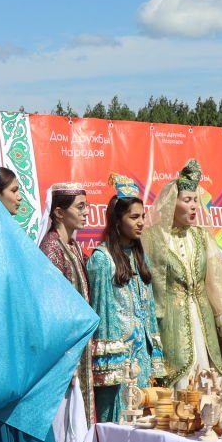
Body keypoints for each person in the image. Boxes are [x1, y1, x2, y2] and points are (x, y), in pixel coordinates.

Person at [0, 164, 96, 442]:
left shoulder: (4, 237)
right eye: (14, 191)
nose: (20, 199)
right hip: (12, 358)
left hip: (21, 352)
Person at [142, 160, 222, 381]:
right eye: (187, 200)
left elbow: (216, 284)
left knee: (208, 382)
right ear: (171, 203)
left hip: (202, 317)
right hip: (170, 322)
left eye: (196, 200)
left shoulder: (202, 237)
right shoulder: (153, 238)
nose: (194, 206)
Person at [85, 177, 164, 420]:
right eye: (134, 217)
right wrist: (108, 369)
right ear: (118, 220)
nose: (141, 222)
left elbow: (149, 314)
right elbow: (101, 318)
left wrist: (155, 359)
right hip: (118, 366)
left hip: (143, 361)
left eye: (142, 216)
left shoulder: (141, 258)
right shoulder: (102, 260)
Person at [39, 183, 95, 442]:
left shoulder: (72, 245)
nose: (86, 213)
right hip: (64, 348)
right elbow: (52, 307)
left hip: (79, 344)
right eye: (80, 207)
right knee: (63, 419)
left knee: (79, 413)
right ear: (59, 212)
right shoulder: (51, 248)